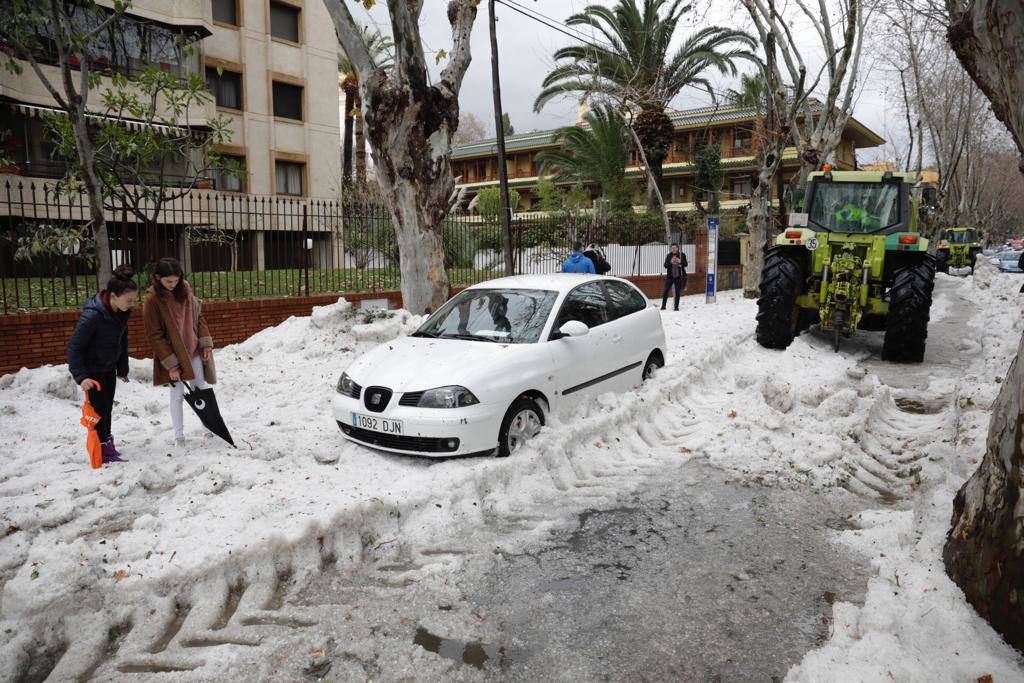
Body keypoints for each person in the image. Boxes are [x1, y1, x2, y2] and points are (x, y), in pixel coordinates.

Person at [67, 265, 139, 464]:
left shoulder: (121, 312)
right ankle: (100, 450)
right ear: (114, 296)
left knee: (107, 409)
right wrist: (82, 377)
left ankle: (107, 445)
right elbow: (74, 347)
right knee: (98, 411)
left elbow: (121, 341)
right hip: (92, 371)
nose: (132, 304)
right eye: (129, 300)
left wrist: (122, 368)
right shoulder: (93, 315)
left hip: (108, 367)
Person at [143, 257, 216, 445]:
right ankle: (179, 436)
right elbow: (154, 335)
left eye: (176, 280)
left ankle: (208, 428)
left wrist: (205, 343)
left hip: (192, 350)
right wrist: (171, 365)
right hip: (173, 355)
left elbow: (198, 316)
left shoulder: (184, 288)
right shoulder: (152, 299)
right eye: (168, 281)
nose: (172, 285)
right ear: (158, 277)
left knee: (200, 389)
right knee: (177, 395)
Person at [661, 243, 688, 311]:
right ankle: (663, 306)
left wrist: (680, 261)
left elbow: (685, 264)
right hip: (670, 276)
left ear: (677, 248)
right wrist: (671, 262)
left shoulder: (682, 255)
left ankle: (676, 307)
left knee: (678, 292)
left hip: (679, 276)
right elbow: (665, 265)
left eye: (674, 248)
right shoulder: (669, 255)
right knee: (666, 291)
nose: (673, 249)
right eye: (672, 248)